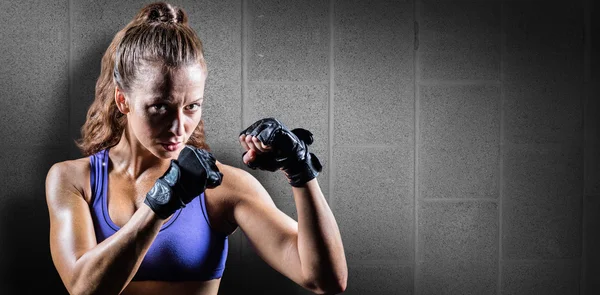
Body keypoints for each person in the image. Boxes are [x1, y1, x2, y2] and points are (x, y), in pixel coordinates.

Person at [44, 2, 347, 295]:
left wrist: (300, 171)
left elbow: (326, 280)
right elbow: (84, 289)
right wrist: (161, 203)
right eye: (160, 107)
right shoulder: (73, 180)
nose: (179, 127)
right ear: (123, 100)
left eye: (191, 107)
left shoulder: (223, 188)